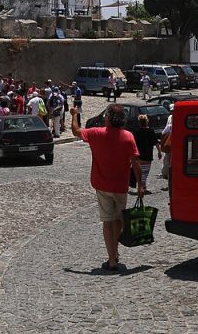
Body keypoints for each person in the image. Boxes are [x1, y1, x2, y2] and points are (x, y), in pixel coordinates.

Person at [70, 103, 144, 272]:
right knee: (118, 220)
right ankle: (115, 253)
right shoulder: (128, 136)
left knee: (107, 221)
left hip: (102, 184)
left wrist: (74, 114)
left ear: (109, 118)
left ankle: (111, 259)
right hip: (121, 186)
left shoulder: (96, 133)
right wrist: (141, 185)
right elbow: (136, 163)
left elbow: (75, 131)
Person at [133, 114, 158, 193]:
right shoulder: (151, 131)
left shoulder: (137, 132)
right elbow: (156, 142)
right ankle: (143, 186)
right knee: (145, 172)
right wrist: (160, 152)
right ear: (147, 121)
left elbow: (133, 144)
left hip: (139, 155)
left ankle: (142, 186)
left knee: (140, 171)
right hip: (148, 155)